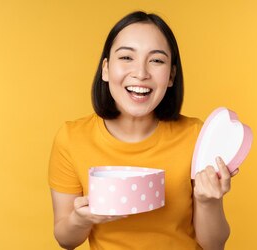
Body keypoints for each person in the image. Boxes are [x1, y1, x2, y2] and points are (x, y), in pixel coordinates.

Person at [48, 11, 235, 250]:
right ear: (106, 69)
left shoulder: (197, 136)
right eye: (126, 57)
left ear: (171, 76)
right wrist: (81, 219)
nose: (141, 73)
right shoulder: (71, 138)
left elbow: (214, 245)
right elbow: (65, 239)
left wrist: (208, 200)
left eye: (156, 60)